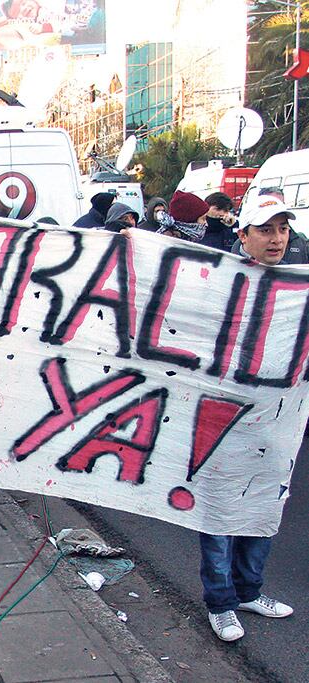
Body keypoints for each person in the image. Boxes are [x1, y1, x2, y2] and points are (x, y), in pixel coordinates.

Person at [200, 195, 296, 642]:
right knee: (219, 515)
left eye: (283, 228)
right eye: (266, 229)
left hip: (279, 423)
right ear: (243, 236)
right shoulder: (218, 282)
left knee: (262, 508)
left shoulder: (301, 283)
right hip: (221, 420)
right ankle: (220, 603)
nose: (276, 238)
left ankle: (246, 592)